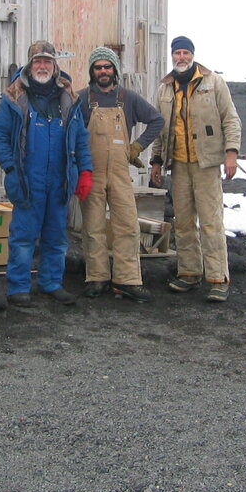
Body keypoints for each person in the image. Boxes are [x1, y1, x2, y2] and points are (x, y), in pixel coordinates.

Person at [0, 40, 93, 307]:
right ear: (29, 65)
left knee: (56, 236)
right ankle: (18, 287)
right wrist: (11, 167)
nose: (42, 66)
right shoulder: (14, 98)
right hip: (27, 179)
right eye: (38, 61)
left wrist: (85, 171)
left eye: (47, 61)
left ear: (55, 65)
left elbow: (81, 139)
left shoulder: (69, 99)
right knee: (23, 237)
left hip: (60, 180)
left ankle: (51, 283)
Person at [149, 36, 241, 303]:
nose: (181, 57)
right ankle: (189, 273)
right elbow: (160, 129)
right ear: (172, 56)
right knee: (184, 222)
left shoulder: (213, 82)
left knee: (211, 222)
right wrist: (157, 161)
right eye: (177, 53)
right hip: (178, 164)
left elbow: (230, 119)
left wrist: (231, 153)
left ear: (192, 55)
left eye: (185, 52)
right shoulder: (165, 88)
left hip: (206, 164)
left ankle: (218, 278)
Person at [76, 46, 164, 302]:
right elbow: (71, 133)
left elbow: (157, 120)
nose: (103, 71)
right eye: (98, 67)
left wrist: (137, 146)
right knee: (93, 227)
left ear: (114, 70)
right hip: (91, 171)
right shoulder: (81, 99)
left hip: (119, 172)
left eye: (107, 66)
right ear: (92, 71)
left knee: (127, 225)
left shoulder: (128, 98)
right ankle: (97, 277)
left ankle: (127, 280)